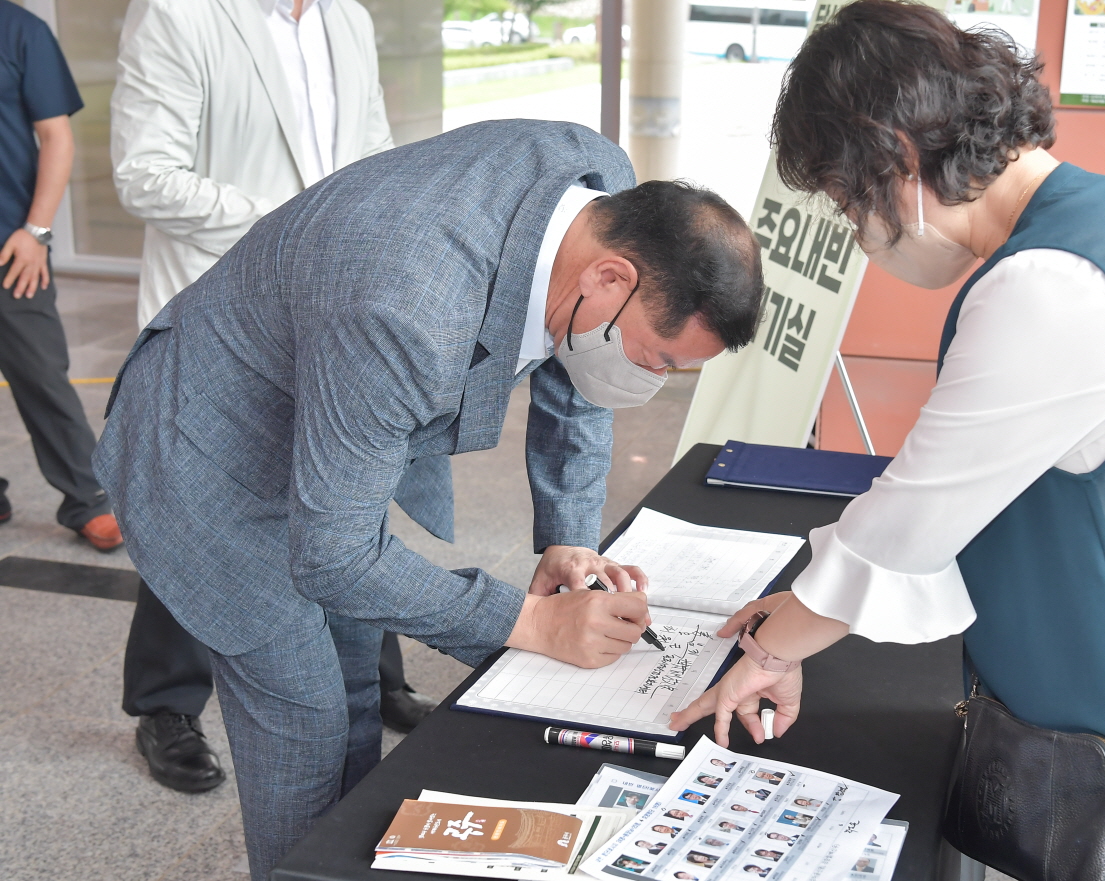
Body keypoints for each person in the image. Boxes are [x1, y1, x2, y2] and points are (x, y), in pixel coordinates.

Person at [669, 3, 1105, 880]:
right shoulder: (1090, 218)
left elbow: (906, 526)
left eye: (847, 201)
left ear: (896, 159)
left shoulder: (1051, 287)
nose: (857, 232)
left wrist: (771, 650)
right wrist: (799, 614)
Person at [93, 119, 763, 880]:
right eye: (654, 357)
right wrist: (532, 622)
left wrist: (568, 539)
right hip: (204, 446)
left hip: (323, 410)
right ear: (610, 278)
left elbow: (579, 364)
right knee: (303, 712)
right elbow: (336, 558)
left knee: (354, 670)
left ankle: (346, 862)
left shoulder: (599, 189)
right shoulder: (409, 310)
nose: (649, 379)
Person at [108, 0, 433, 795]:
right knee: (195, 509)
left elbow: (372, 154)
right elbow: (145, 174)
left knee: (348, 487)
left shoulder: (346, 17)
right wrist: (297, 227)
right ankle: (166, 705)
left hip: (333, 305)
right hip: (219, 310)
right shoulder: (179, 15)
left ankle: (377, 674)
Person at [0, 1, 123, 553]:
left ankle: (87, 499)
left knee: (40, 372)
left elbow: (56, 137)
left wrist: (37, 231)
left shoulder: (20, 30)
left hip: (11, 244)